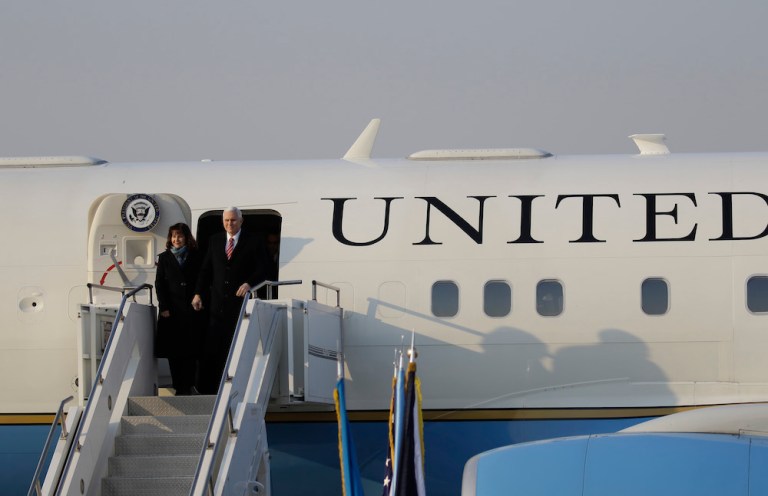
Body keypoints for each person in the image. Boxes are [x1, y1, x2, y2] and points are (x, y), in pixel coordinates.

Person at [192, 207, 268, 393]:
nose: (229, 224)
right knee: (213, 347)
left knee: (235, 346)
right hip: (217, 304)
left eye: (233, 220)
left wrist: (250, 283)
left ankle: (234, 387)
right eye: (226, 220)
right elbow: (206, 270)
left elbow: (264, 268)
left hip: (240, 305)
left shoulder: (254, 241)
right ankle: (209, 389)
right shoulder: (215, 240)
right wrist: (198, 293)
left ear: (241, 221)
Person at [155, 223, 203, 395]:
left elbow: (201, 279)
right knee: (174, 352)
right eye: (173, 236)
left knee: (190, 350)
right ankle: (178, 386)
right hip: (172, 312)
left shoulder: (196, 256)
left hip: (191, 310)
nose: (176, 239)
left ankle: (188, 384)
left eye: (180, 236)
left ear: (187, 237)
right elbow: (159, 284)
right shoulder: (164, 258)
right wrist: (164, 307)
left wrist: (198, 295)